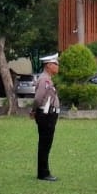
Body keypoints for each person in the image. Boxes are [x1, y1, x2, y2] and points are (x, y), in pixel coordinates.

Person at [31, 53, 61, 182]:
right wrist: (34, 110)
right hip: (46, 114)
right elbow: (38, 98)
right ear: (49, 65)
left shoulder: (48, 78)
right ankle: (43, 173)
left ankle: (44, 171)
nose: (58, 67)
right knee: (45, 144)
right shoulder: (45, 79)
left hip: (49, 114)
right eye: (56, 64)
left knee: (46, 144)